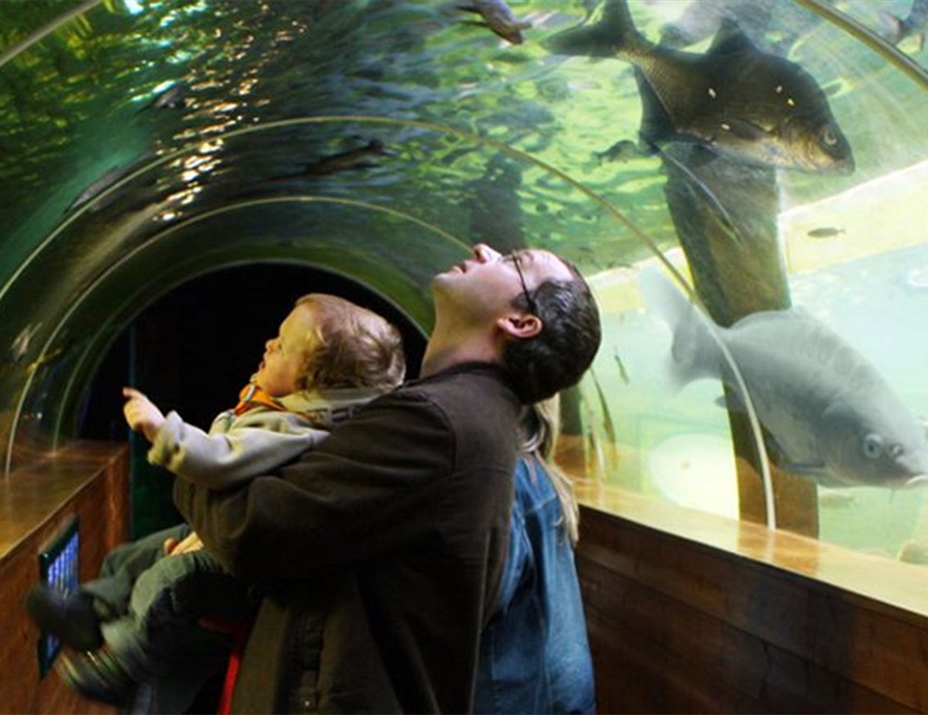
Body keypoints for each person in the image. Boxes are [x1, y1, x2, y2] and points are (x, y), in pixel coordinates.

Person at [163, 243, 602, 713]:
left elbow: (248, 528)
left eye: (513, 262)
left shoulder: (440, 421)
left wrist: (189, 456)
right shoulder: (464, 415)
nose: (483, 248)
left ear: (520, 323)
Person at [26, 293, 407, 710]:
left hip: (245, 575)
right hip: (222, 540)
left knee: (172, 576)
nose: (268, 345)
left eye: (282, 346)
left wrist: (163, 430)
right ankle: (90, 611)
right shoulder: (284, 411)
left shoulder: (296, 431)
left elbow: (223, 461)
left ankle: (123, 664)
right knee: (136, 555)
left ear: (310, 381)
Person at [473, 396, 597, 714]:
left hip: (518, 696)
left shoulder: (507, 483)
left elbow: (487, 599)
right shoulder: (545, 475)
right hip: (564, 690)